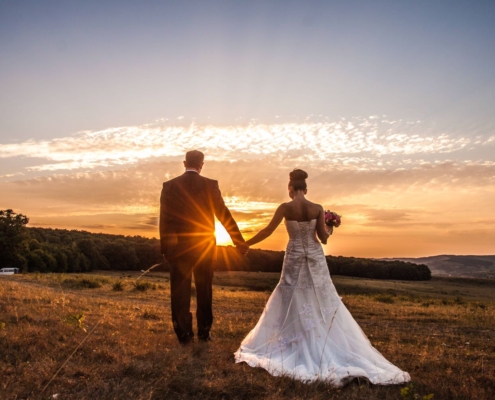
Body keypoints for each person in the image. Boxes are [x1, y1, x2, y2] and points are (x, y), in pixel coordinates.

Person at [235, 169, 410, 386]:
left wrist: (246, 244)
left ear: (290, 188)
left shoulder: (285, 207)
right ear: (305, 189)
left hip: (294, 257)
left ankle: (292, 340)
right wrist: (330, 227)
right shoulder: (316, 208)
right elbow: (323, 239)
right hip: (315, 258)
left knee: (291, 295)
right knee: (320, 297)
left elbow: (267, 231)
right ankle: (322, 338)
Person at [160, 150, 247, 344]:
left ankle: (183, 334)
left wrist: (166, 249)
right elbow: (223, 214)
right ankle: (204, 331)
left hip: (178, 249)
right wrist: (238, 240)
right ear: (202, 164)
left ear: (184, 163)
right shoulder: (210, 185)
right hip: (205, 247)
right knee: (205, 291)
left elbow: (164, 219)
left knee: (179, 292)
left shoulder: (169, 186)